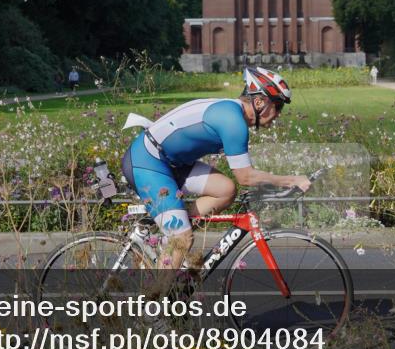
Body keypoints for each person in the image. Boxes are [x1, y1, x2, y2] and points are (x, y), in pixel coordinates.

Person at [120, 66, 310, 294]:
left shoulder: (233, 114)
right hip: (147, 162)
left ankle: (172, 235)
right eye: (277, 106)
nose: (278, 114)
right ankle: (153, 312)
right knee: (182, 238)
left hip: (170, 162)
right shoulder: (233, 122)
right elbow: (246, 176)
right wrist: (291, 180)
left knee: (226, 189)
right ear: (259, 102)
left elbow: (238, 180)